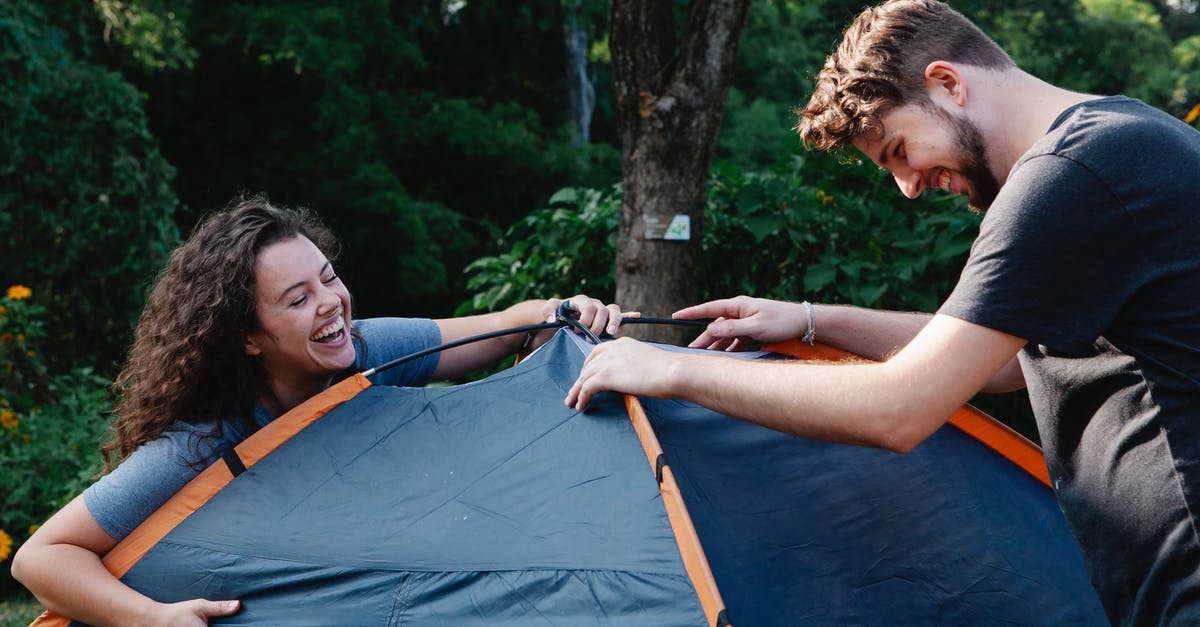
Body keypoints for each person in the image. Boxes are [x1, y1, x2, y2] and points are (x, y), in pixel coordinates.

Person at [566, 0, 1200, 623]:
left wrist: (667, 370)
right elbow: (1007, 361)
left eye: (899, 149)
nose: (909, 185)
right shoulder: (1121, 138)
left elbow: (900, 408)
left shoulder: (1070, 174)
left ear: (947, 83)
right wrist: (811, 320)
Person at [12, 195, 630, 626]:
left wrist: (558, 311)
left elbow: (497, 330)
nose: (332, 304)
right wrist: (150, 618)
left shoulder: (365, 352)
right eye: (298, 298)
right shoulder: (205, 441)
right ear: (249, 336)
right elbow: (40, 557)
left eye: (328, 277)